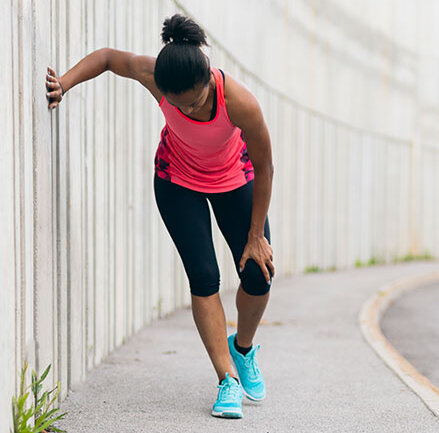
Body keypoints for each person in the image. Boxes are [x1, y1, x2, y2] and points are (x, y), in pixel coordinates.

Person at [45, 14, 275, 420]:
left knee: (258, 275)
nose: (189, 107)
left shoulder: (239, 102)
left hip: (234, 179)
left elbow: (266, 165)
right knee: (204, 277)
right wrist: (64, 82)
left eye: (197, 100)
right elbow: (107, 58)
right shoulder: (155, 74)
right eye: (180, 103)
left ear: (208, 81)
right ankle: (227, 382)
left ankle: (243, 349)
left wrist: (256, 234)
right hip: (177, 180)